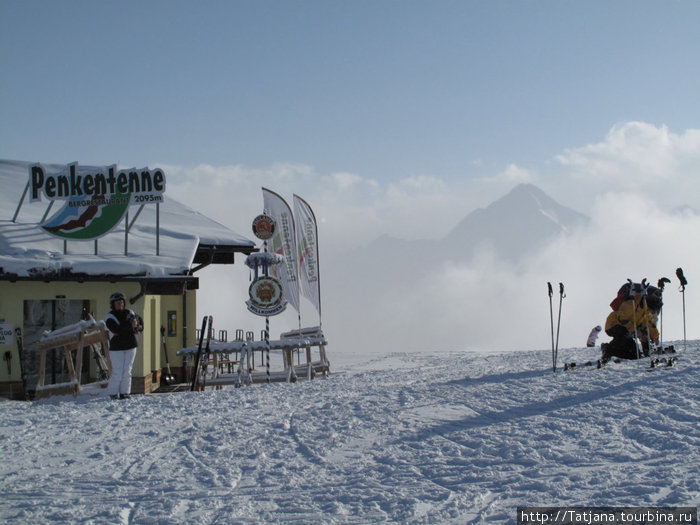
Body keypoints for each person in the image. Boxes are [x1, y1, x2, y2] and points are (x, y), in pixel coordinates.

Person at [601, 286, 661, 361]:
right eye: (652, 310)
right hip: (613, 324)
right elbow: (621, 318)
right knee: (625, 334)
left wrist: (655, 337)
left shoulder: (646, 311)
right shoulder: (632, 303)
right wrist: (635, 330)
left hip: (628, 328)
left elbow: (649, 324)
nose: (652, 313)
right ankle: (608, 350)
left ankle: (610, 350)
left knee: (634, 355)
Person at [105, 292, 143, 399]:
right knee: (117, 371)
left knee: (127, 370)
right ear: (113, 304)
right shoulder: (110, 316)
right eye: (117, 303)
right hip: (117, 348)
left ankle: (125, 392)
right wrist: (130, 325)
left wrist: (137, 326)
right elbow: (117, 330)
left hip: (131, 346)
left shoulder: (129, 312)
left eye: (122, 302)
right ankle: (113, 393)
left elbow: (138, 323)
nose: (120, 305)